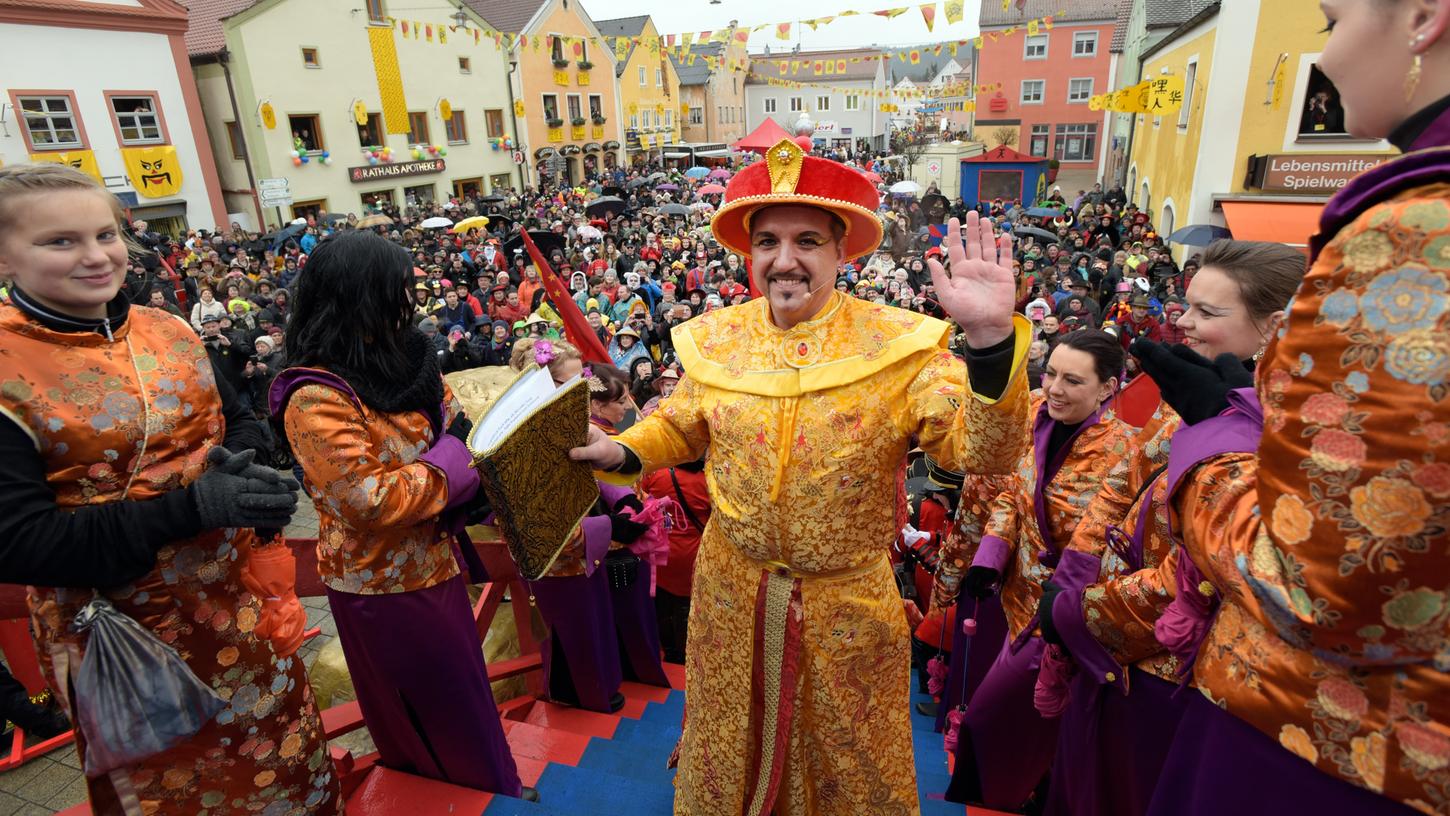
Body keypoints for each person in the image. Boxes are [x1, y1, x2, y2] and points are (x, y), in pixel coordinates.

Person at [569, 137, 1032, 815]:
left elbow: (981, 452)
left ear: (842, 253)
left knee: (847, 768)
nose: (784, 261)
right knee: (731, 748)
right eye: (768, 242)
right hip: (730, 597)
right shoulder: (718, 337)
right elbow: (681, 425)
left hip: (846, 607)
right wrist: (622, 451)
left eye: (807, 240)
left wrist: (991, 347)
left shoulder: (900, 348)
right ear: (747, 253)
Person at [1120, 4, 1450, 814]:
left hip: (1333, 742)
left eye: (1333, 19)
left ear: (1421, 18)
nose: (1325, 55)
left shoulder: (1413, 233)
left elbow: (1315, 588)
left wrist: (1215, 434)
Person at [0, 163, 334, 814]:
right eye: (60, 241)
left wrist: (236, 468)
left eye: (106, 233)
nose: (97, 256)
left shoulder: (169, 331)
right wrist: (190, 507)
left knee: (293, 774)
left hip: (242, 612)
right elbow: (19, 542)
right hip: (130, 643)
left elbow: (236, 417)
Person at [1037, 240, 1306, 816]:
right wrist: (1072, 575)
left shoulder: (1300, 432)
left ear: (1276, 327)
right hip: (1113, 664)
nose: (1182, 323)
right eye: (1187, 306)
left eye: (1207, 313)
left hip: (1168, 675)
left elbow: (1209, 573)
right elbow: (1118, 493)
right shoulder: (1190, 390)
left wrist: (1079, 613)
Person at [270, 231, 529, 801]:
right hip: (377, 582)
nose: (408, 302)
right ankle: (448, 793)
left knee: (462, 690)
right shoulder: (314, 397)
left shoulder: (405, 356)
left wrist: (462, 448)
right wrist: (456, 459)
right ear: (357, 297)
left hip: (436, 560)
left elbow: (455, 418)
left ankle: (491, 783)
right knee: (424, 700)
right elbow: (367, 501)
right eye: (397, 290)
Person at [945, 330, 1133, 811]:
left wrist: (1071, 599)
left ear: (1108, 388)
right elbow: (1013, 492)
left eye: (1072, 380)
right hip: (1019, 601)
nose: (1053, 388)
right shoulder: (1032, 411)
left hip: (1078, 616)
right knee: (1014, 734)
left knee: (1002, 724)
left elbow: (1119, 538)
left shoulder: (1131, 444)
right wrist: (989, 556)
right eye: (1050, 373)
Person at [508, 339, 654, 713]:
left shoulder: (563, 425)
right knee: (574, 635)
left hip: (587, 550)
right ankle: (583, 700)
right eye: (567, 384)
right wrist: (609, 528)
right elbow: (541, 524)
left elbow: (590, 469)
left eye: (582, 383)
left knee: (596, 624)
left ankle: (599, 692)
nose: (579, 394)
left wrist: (622, 496)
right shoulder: (520, 441)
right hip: (557, 562)